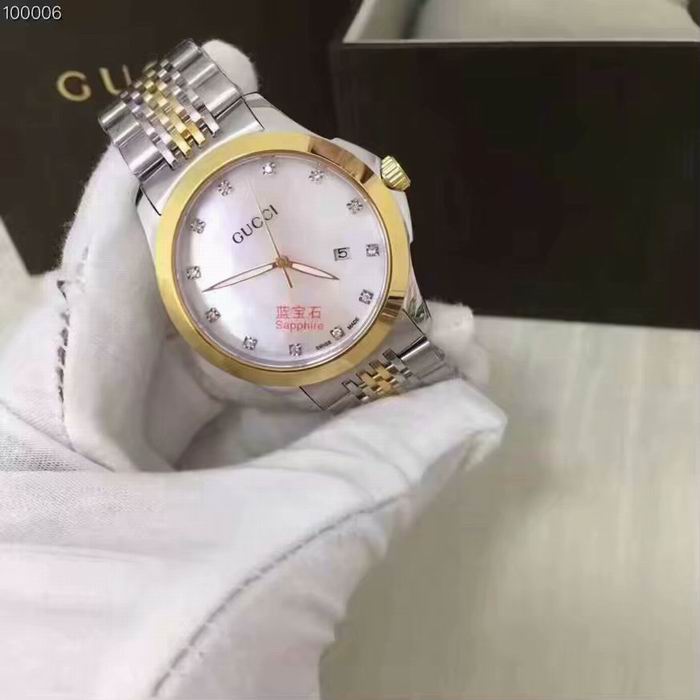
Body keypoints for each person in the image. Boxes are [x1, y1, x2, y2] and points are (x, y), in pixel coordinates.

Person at [0, 40, 505, 699]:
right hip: (271, 344)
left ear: (385, 188)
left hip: (333, 318)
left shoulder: (340, 191)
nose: (283, 261)